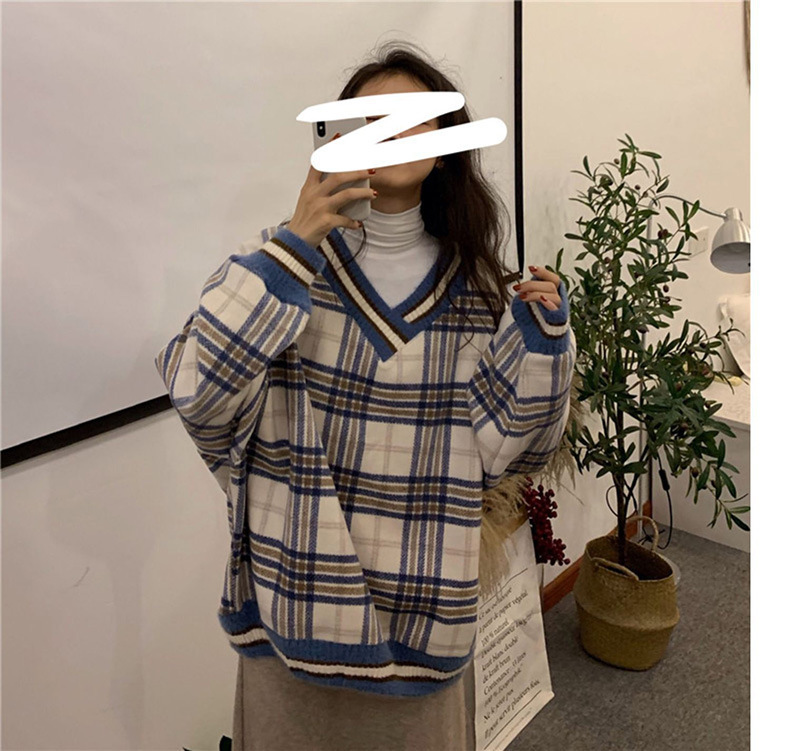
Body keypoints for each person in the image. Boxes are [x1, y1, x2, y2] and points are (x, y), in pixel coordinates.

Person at [155, 41, 575, 751]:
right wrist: (296, 243)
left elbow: (516, 451)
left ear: (444, 146)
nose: (391, 131)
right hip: (291, 623)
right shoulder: (283, 263)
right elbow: (199, 390)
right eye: (370, 118)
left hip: (423, 634)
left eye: (413, 116)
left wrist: (544, 342)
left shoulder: (481, 293)